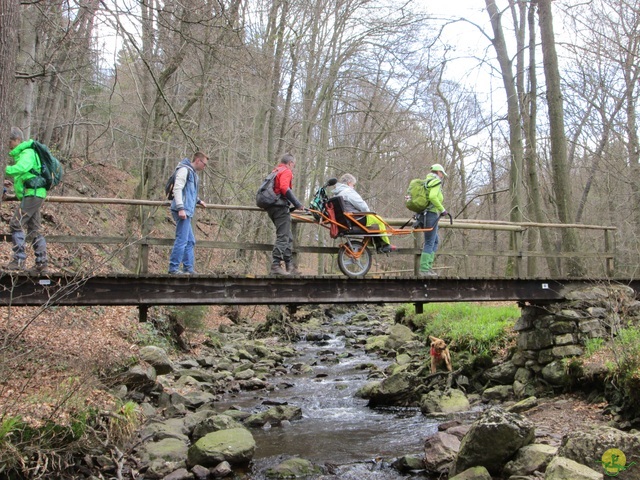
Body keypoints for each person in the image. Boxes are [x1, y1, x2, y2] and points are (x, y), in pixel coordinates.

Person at [4, 127, 49, 272]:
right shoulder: (27, 152)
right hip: (34, 194)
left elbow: (22, 168)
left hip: (33, 194)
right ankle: (41, 263)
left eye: (10, 141)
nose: (8, 144)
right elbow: (24, 175)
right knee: (34, 229)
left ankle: (19, 260)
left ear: (17, 140)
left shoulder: (27, 153)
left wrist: (4, 169)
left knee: (16, 223)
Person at [333, 173, 396, 253]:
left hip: (345, 221)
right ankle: (385, 245)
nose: (353, 187)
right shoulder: (348, 192)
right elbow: (362, 206)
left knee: (374, 223)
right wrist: (369, 213)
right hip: (355, 219)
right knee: (379, 221)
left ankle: (378, 244)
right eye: (353, 185)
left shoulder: (336, 194)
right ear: (349, 183)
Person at [168, 152, 208, 274]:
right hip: (182, 210)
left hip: (187, 210)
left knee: (190, 241)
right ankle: (173, 268)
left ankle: (188, 268)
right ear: (198, 161)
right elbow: (178, 189)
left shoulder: (192, 173)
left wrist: (198, 200)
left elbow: (190, 192)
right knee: (182, 240)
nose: (204, 167)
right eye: (204, 164)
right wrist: (180, 208)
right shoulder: (184, 170)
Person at [267, 153, 305, 276]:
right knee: (283, 236)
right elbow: (284, 188)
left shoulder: (275, 171)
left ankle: (290, 266)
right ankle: (275, 265)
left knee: (287, 236)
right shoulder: (286, 171)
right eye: (294, 165)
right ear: (290, 163)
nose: (293, 167)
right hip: (279, 207)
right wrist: (297, 204)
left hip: (271, 207)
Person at [419, 163, 447, 277]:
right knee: (430, 242)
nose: (443, 176)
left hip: (423, 214)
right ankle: (424, 269)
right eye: (442, 174)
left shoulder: (426, 181)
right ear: (439, 173)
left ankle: (428, 267)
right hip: (430, 214)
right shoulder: (435, 182)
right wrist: (442, 209)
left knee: (435, 241)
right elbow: (432, 197)